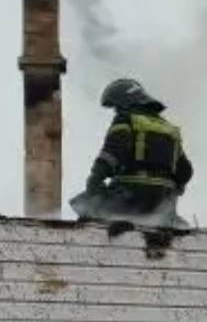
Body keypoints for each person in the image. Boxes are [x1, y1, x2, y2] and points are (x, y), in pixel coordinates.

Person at [72, 78, 192, 223]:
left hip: (129, 198)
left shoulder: (125, 120)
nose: (116, 111)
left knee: (82, 203)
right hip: (162, 203)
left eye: (116, 107)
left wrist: (94, 182)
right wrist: (174, 191)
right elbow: (186, 171)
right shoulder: (169, 129)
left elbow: (110, 154)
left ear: (125, 101)